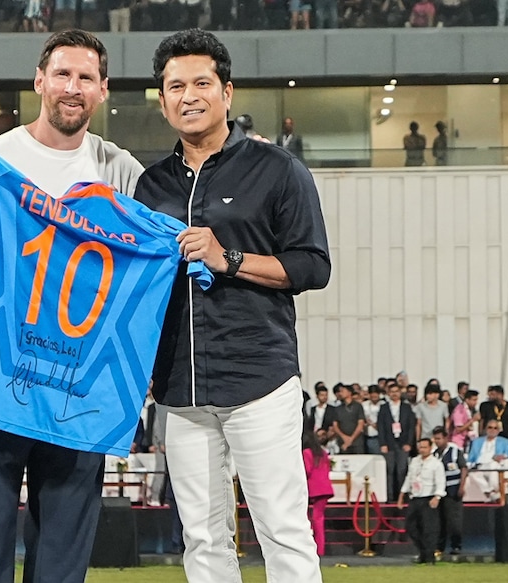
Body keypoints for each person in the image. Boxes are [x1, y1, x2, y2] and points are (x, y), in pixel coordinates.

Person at [0, 30, 145, 583]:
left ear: (103, 90)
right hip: (1, 378)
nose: (73, 87)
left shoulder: (120, 170)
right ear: (40, 80)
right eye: (63, 74)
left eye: (86, 77)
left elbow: (159, 253)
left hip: (78, 387)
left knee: (62, 557)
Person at [134, 29, 331, 583]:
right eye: (176, 86)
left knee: (283, 531)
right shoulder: (151, 185)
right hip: (181, 391)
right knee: (201, 540)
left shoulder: (278, 169)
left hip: (259, 381)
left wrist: (229, 259)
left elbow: (313, 266)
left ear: (227, 92)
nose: (188, 96)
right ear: (163, 100)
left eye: (201, 83)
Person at [397, 437, 445, 565]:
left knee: (429, 529)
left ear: (430, 448)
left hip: (428, 498)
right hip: (415, 498)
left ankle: (429, 557)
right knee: (411, 527)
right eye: (420, 447)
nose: (422, 450)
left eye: (424, 447)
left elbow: (441, 481)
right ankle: (423, 552)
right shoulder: (414, 461)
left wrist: (437, 497)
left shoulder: (436, 464)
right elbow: (409, 478)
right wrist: (402, 495)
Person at [432, 429, 466, 557]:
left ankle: (456, 546)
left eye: (439, 438)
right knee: (440, 521)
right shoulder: (434, 454)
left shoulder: (455, 452)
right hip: (439, 492)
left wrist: (461, 486)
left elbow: (464, 468)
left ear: (446, 438)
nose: (437, 441)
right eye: (435, 439)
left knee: (454, 521)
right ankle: (439, 547)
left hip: (453, 490)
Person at [303, 430, 333, 556]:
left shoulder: (307, 452)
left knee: (310, 518)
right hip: (325, 487)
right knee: (318, 518)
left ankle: (312, 547)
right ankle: (320, 549)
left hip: (314, 487)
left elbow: (307, 470)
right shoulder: (323, 453)